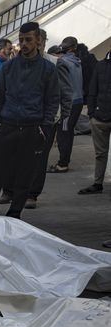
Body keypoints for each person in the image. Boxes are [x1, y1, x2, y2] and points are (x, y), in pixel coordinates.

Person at [0, 22, 59, 219]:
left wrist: (44, 127)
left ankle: (15, 216)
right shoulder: (8, 67)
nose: (24, 44)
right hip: (6, 127)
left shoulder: (48, 69)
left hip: (32, 128)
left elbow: (52, 100)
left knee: (25, 175)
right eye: (21, 40)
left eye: (28, 40)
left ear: (38, 40)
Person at [25, 39, 72, 208]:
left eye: (37, 43)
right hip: (23, 117)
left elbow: (65, 91)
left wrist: (63, 115)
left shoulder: (55, 64)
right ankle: (12, 190)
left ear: (42, 44)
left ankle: (32, 194)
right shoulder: (19, 63)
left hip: (47, 119)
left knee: (39, 156)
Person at [48, 36, 83, 174]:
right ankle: (64, 162)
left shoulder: (62, 62)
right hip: (78, 101)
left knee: (64, 133)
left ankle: (63, 164)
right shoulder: (77, 61)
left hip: (69, 103)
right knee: (67, 132)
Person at [86, 43, 111, 200]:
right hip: (99, 117)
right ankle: (98, 183)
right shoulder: (100, 65)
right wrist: (91, 113)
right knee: (100, 154)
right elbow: (92, 89)